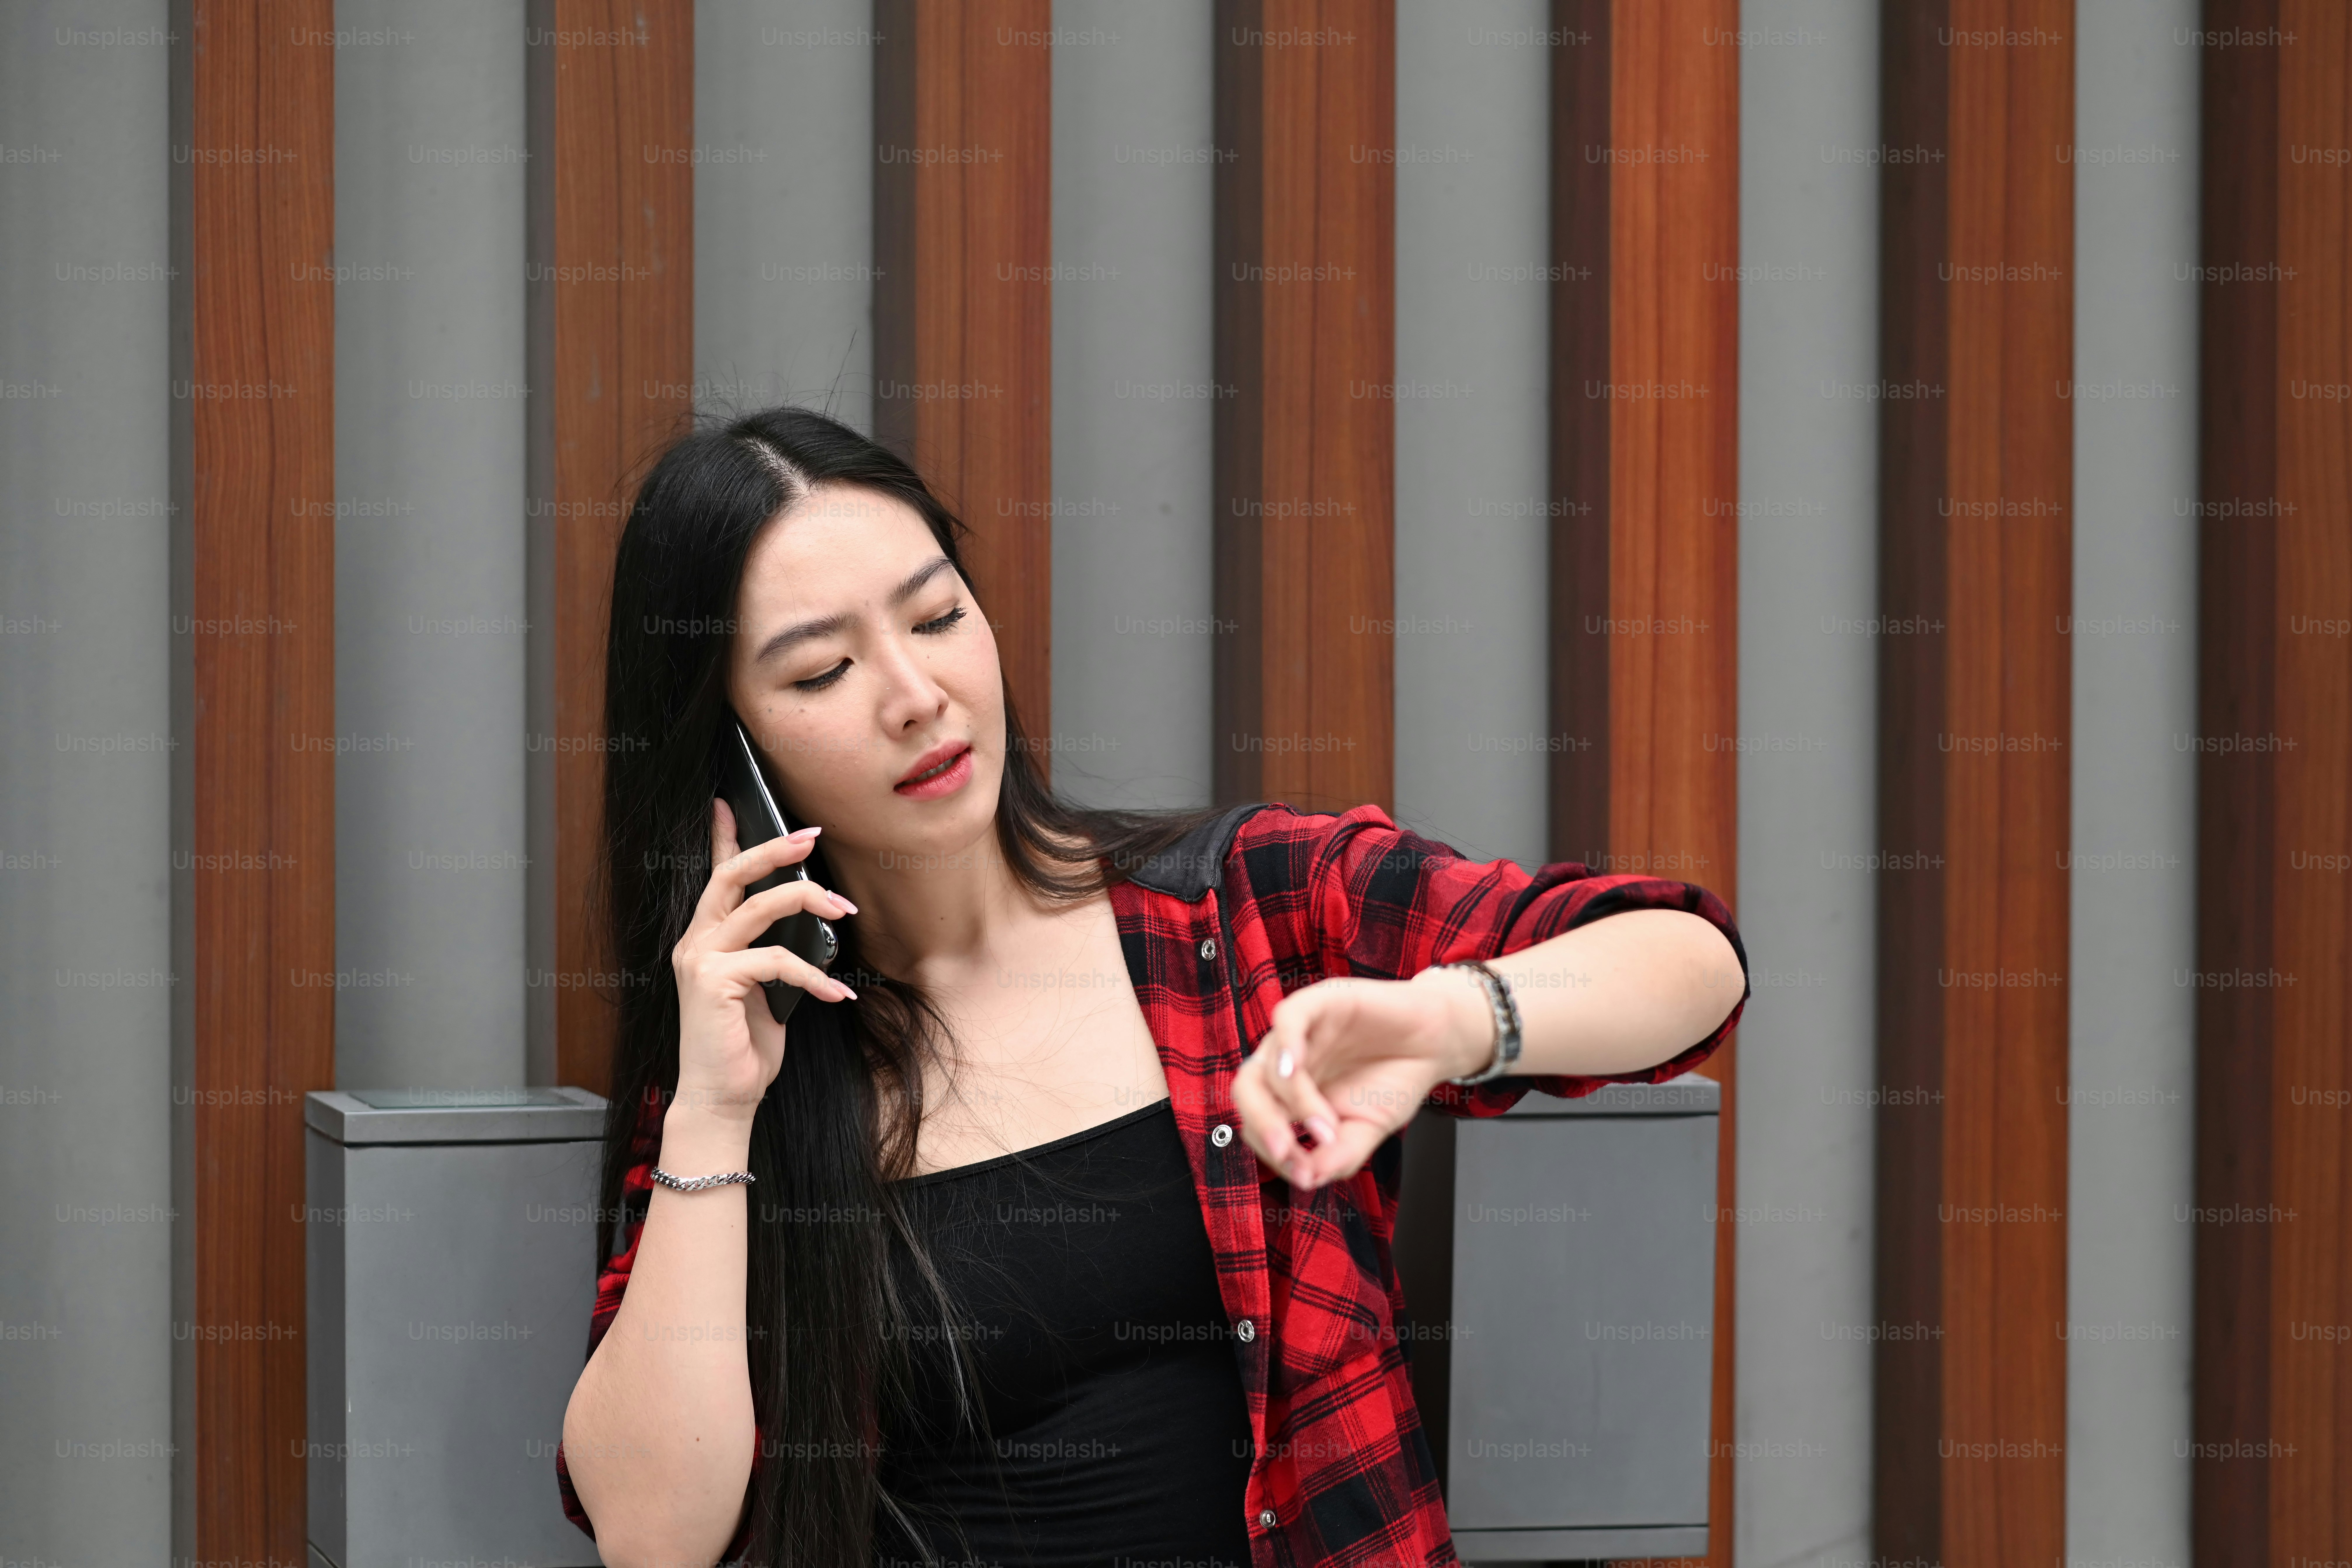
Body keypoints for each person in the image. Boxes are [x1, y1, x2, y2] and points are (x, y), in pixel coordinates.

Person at [554, 406, 1750, 1568]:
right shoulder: (745, 1055)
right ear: (732, 754)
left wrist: (1448, 1019)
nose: (915, 693)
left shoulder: (1244, 904)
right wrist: (713, 1110)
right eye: (821, 671)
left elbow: (1686, 959)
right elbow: (655, 1533)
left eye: (936, 616)